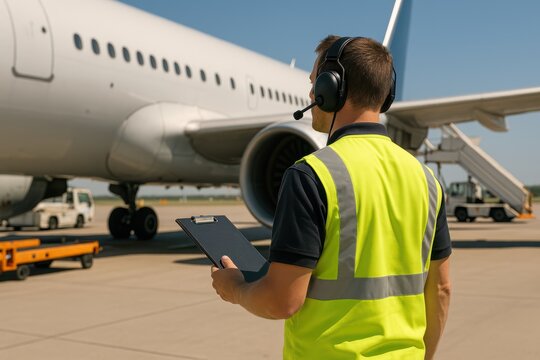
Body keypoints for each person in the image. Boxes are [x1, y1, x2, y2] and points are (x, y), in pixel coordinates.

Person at [211, 35, 452, 360]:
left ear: (331, 87)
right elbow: (440, 289)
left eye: (314, 83)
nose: (310, 94)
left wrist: (236, 289)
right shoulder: (427, 180)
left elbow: (283, 301)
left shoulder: (311, 175)